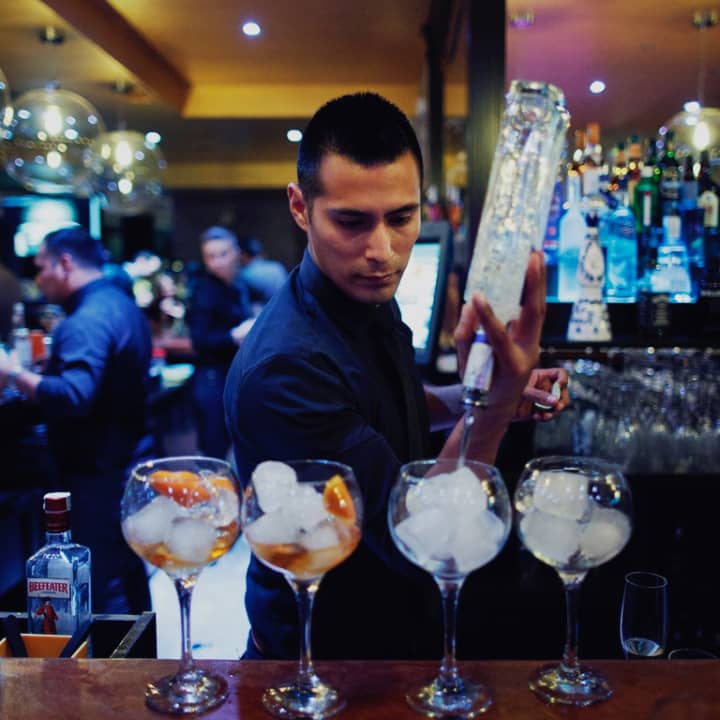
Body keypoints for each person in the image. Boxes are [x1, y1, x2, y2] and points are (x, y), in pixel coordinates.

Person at [224, 92, 569, 660]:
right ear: (300, 208)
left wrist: (474, 398)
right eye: (351, 222)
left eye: (401, 218)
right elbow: (423, 536)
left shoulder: (362, 296)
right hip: (321, 667)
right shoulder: (286, 369)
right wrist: (490, 407)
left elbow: (384, 405)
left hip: (393, 638)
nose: (382, 251)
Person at [0, 226, 153, 614]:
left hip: (96, 471)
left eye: (40, 268)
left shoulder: (86, 318)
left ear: (65, 263)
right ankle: (142, 648)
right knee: (126, 572)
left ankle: (114, 656)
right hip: (124, 460)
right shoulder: (121, 303)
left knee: (102, 583)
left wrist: (15, 373)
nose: (37, 279)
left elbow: (73, 394)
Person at [189, 226, 255, 459]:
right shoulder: (205, 290)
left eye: (223, 254)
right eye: (210, 256)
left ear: (236, 252)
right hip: (211, 379)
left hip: (231, 375)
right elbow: (199, 341)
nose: (217, 262)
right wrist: (233, 336)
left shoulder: (237, 285)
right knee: (213, 454)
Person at [237, 235, 289, 314]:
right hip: (287, 310)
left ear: (243, 255)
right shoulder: (276, 266)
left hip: (268, 314)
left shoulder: (245, 274)